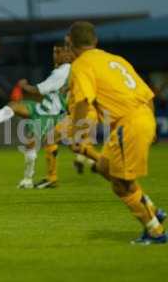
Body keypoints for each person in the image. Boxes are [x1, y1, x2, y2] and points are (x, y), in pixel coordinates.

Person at [67, 21, 166, 244]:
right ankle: (151, 209)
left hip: (128, 123)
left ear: (70, 42)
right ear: (95, 41)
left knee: (122, 184)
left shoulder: (82, 65)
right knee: (105, 167)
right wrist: (151, 128)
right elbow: (148, 95)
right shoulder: (116, 60)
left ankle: (155, 231)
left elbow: (83, 101)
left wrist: (77, 134)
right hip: (142, 116)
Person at [0, 42, 96, 189]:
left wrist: (24, 86)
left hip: (51, 114)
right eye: (54, 52)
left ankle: (28, 179)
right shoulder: (63, 69)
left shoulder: (64, 70)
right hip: (42, 108)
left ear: (67, 54)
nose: (55, 55)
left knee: (31, 143)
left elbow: (38, 90)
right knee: (14, 106)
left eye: (58, 52)